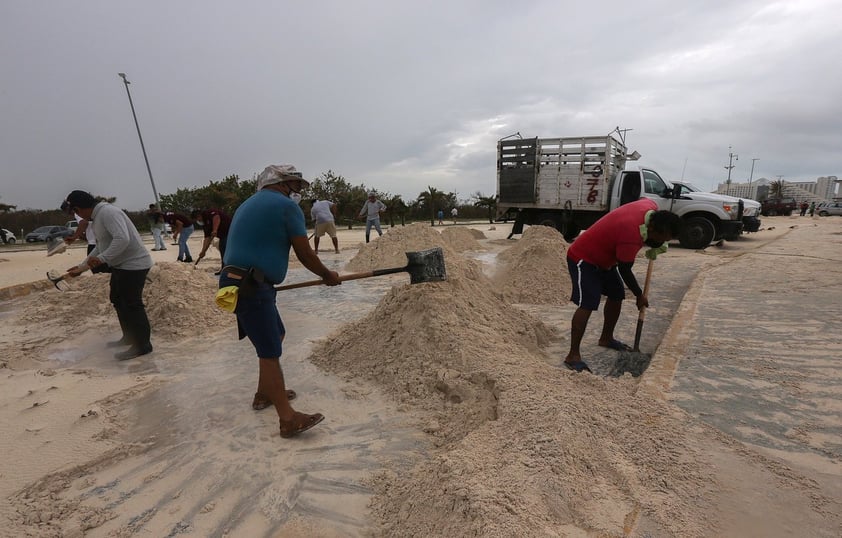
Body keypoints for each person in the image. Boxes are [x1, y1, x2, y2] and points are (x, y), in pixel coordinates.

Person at [219, 164, 340, 439]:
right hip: (251, 284)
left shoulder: (249, 204)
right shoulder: (285, 207)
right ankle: (288, 419)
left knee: (277, 334)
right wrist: (327, 274)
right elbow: (305, 253)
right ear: (280, 184)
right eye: (294, 186)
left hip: (239, 281)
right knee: (269, 351)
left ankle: (264, 394)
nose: (296, 192)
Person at [563, 199, 683, 373]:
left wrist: (657, 245)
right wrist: (639, 295)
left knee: (617, 294)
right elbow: (625, 270)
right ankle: (573, 356)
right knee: (588, 302)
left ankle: (606, 338)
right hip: (584, 258)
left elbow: (645, 201)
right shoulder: (631, 235)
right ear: (651, 229)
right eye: (662, 239)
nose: (663, 242)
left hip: (605, 259)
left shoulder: (650, 207)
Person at [61, 190, 154, 360]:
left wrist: (102, 259)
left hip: (135, 264)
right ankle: (129, 337)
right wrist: (82, 267)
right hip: (121, 265)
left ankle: (143, 345)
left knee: (132, 303)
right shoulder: (97, 218)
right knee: (117, 299)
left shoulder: (108, 212)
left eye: (76, 212)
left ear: (79, 208)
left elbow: (122, 239)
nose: (78, 216)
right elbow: (101, 246)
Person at [192, 208, 232, 274]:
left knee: (225, 249)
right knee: (222, 249)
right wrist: (203, 251)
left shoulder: (209, 212)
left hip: (230, 231)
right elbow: (207, 238)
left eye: (197, 219)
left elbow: (216, 217)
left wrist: (215, 230)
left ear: (199, 216)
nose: (198, 221)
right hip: (222, 235)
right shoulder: (205, 225)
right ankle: (224, 269)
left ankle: (228, 270)